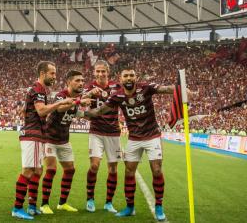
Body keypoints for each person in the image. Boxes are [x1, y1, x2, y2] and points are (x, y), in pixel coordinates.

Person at [77, 66, 193, 221]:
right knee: (129, 172)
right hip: (134, 139)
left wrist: (181, 90)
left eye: (132, 75)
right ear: (121, 79)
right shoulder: (117, 96)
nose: (129, 78)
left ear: (136, 77)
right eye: (126, 76)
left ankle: (159, 206)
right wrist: (78, 112)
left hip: (152, 136)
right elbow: (98, 112)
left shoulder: (145, 88)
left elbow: (166, 89)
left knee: (157, 170)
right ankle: (129, 207)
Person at [11, 61, 74, 220]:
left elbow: (27, 110)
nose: (54, 76)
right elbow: (41, 111)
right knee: (28, 170)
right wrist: (59, 102)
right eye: (52, 73)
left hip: (38, 135)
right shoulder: (38, 89)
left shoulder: (39, 90)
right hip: (32, 134)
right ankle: (17, 208)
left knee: (38, 171)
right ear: (42, 73)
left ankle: (32, 206)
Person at [40, 70, 91, 214]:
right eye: (77, 80)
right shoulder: (61, 95)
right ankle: (44, 204)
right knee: (51, 169)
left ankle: (62, 203)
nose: (81, 83)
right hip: (49, 138)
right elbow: (61, 107)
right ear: (68, 82)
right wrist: (80, 101)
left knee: (70, 170)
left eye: (82, 80)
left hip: (64, 140)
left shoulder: (79, 96)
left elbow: (77, 111)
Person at [82, 60, 122, 213]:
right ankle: (90, 199)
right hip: (96, 131)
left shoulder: (116, 87)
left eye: (102, 71)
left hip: (113, 132)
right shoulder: (89, 88)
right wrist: (89, 94)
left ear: (108, 71)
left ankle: (108, 202)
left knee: (113, 169)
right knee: (94, 165)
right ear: (94, 72)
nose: (100, 74)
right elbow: (81, 103)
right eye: (97, 71)